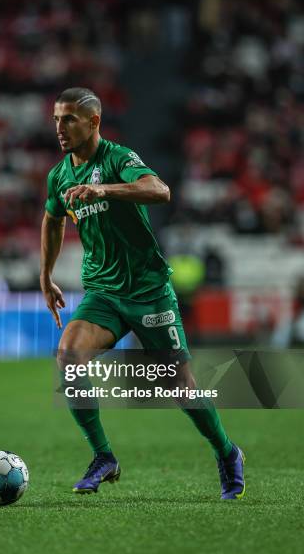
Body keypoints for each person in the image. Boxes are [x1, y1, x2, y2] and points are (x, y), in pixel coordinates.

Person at [40, 87, 245, 499]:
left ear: (94, 122)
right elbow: (53, 218)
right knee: (69, 357)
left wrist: (106, 190)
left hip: (149, 291)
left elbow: (160, 190)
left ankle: (227, 453)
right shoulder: (60, 175)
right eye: (56, 119)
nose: (59, 128)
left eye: (69, 119)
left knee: (180, 386)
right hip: (103, 292)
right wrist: (45, 275)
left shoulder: (118, 159)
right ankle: (103, 456)